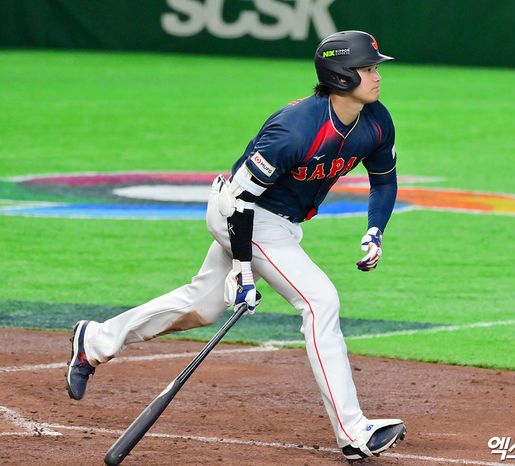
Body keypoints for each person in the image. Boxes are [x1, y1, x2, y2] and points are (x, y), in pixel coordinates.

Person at [66, 30, 405, 461]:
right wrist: (244, 272)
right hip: (241, 213)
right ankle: (353, 433)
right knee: (320, 302)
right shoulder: (294, 129)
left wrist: (375, 230)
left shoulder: (375, 121)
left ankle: (94, 341)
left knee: (202, 306)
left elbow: (384, 180)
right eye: (368, 68)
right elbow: (240, 202)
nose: (377, 76)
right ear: (341, 76)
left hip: (274, 221)